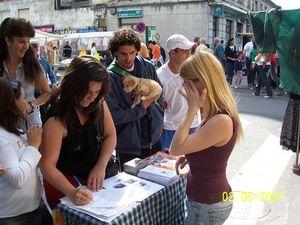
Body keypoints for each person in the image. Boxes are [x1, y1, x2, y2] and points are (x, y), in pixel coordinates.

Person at [169, 50, 242, 225]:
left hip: (208, 202)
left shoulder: (220, 119)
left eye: (188, 82)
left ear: (204, 80)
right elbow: (208, 149)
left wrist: (191, 110)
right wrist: (190, 156)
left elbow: (174, 149)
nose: (185, 88)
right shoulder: (214, 110)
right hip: (207, 199)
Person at [40, 57, 116, 211]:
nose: (92, 97)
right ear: (73, 86)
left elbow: (111, 136)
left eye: (97, 92)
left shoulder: (99, 102)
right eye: (87, 92)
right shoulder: (57, 119)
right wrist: (71, 191)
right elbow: (47, 166)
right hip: (67, 182)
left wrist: (100, 165)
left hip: (98, 178)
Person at [106, 28, 164, 168]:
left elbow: (160, 95)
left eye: (132, 53)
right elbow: (113, 116)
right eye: (123, 54)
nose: (128, 58)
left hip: (154, 138)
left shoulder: (148, 67)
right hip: (129, 145)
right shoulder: (110, 78)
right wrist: (141, 107)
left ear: (137, 50)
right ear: (114, 53)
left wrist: (159, 117)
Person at [0, 79, 52, 225]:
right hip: (14, 217)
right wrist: (33, 146)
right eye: (23, 98)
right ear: (10, 103)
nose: (26, 103)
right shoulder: (1, 137)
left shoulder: (14, 131)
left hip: (32, 209)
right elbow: (17, 179)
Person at [0, 18, 51, 128]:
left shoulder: (32, 65)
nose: (26, 46)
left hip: (29, 124)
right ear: (8, 41)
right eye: (21, 41)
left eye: (28, 41)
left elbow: (47, 93)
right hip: (4, 123)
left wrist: (31, 105)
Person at [157, 34, 199, 151]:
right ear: (172, 53)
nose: (189, 54)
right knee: (169, 164)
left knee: (192, 163)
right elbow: (157, 107)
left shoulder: (192, 71)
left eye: (189, 51)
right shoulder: (160, 76)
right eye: (185, 51)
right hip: (171, 128)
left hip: (193, 124)